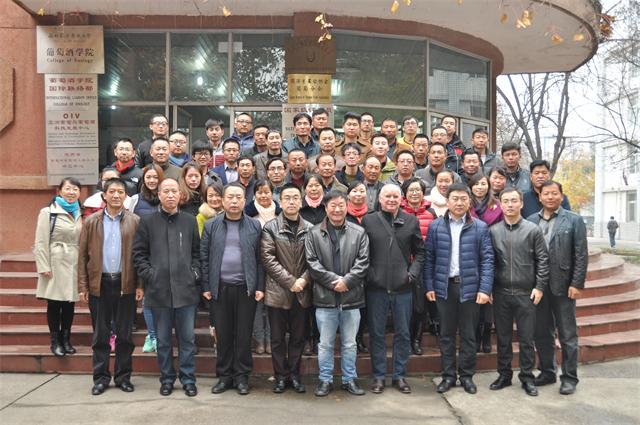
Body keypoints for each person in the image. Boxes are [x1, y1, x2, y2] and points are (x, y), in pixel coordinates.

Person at [132, 178, 201, 397]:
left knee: (187, 339)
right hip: (158, 292)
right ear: (159, 195)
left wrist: (194, 273)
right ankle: (167, 379)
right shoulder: (147, 222)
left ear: (180, 195)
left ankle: (188, 379)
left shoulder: (189, 221)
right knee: (162, 340)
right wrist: (150, 275)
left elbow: (197, 253)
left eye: (174, 191)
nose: (171, 195)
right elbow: (139, 254)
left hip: (185, 291)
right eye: (166, 191)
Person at [423, 183, 494, 395]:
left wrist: (485, 289)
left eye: (463, 198)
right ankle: (448, 376)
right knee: (445, 334)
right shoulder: (436, 226)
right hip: (444, 288)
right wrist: (429, 285)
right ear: (447, 201)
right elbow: (429, 259)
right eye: (455, 198)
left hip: (470, 288)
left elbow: (487, 260)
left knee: (469, 334)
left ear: (469, 201)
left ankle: (466, 376)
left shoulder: (480, 227)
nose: (459, 202)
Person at [78, 178, 143, 395]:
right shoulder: (91, 221)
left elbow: (140, 256)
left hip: (126, 283)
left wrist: (140, 284)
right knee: (100, 335)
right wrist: (83, 286)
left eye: (120, 192)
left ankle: (123, 377)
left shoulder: (135, 221)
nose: (116, 195)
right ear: (104, 195)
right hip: (100, 283)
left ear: (126, 196)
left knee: (125, 335)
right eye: (112, 191)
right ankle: (101, 378)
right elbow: (82, 256)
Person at [201, 182, 265, 395]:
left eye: (238, 197)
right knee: (224, 334)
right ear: (222, 200)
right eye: (230, 197)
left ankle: (242, 376)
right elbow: (204, 258)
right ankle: (224, 376)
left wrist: (259, 285)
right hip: (219, 288)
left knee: (244, 335)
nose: (234, 201)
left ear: (245, 201)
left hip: (246, 288)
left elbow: (260, 259)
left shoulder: (254, 226)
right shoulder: (211, 225)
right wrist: (206, 285)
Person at [305, 190, 370, 397]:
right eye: (332, 205)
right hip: (325, 298)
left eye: (341, 205)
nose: (337, 209)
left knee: (350, 343)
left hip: (351, 298)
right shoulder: (314, 233)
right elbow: (312, 263)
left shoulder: (359, 232)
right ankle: (325, 379)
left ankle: (349, 379)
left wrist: (347, 281)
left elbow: (363, 262)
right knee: (325, 344)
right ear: (326, 208)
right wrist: (335, 282)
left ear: (347, 206)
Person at [362, 184, 425, 395]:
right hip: (376, 288)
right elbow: (362, 253)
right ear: (380, 199)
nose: (391, 199)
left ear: (401, 199)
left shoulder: (411, 221)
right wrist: (370, 274)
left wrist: (411, 274)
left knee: (403, 333)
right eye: (387, 196)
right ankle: (379, 376)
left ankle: (399, 375)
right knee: (377, 333)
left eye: (395, 196)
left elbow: (421, 253)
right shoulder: (369, 220)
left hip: (403, 288)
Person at [528, 181, 588, 396]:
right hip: (538, 287)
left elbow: (581, 254)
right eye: (546, 193)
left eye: (554, 193)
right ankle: (547, 371)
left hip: (563, 286)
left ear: (561, 196)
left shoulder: (573, 220)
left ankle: (569, 377)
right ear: (540, 196)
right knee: (542, 332)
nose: (550, 197)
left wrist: (577, 283)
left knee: (568, 334)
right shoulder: (531, 221)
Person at [489, 187, 549, 397]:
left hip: (527, 293)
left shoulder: (533, 230)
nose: (510, 205)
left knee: (526, 339)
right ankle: (504, 375)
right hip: (501, 293)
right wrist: (488, 288)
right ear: (501, 204)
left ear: (521, 203)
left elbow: (543, 260)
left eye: (514, 200)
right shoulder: (493, 231)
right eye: (506, 201)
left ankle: (527, 377)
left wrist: (539, 287)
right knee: (503, 338)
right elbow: (489, 263)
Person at [260, 183, 313, 394]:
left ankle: (295, 375)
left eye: (295, 198)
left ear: (301, 201)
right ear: (280, 202)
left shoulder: (311, 228)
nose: (291, 202)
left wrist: (303, 280)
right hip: (278, 292)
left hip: (302, 292)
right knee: (277, 339)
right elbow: (268, 258)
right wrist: (291, 281)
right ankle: (281, 376)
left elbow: (315, 260)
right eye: (287, 198)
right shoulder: (270, 227)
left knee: (298, 338)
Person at [34, 177, 83, 357]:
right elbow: (40, 241)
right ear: (60, 191)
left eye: (75, 189)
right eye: (68, 188)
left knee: (69, 302)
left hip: (73, 262)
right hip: (55, 262)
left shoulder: (80, 212)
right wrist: (43, 266)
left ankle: (66, 339)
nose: (71, 192)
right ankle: (55, 341)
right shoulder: (48, 212)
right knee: (54, 303)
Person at [400, 177, 438, 353]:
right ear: (405, 193)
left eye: (418, 190)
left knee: (420, 306)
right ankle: (405, 338)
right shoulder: (398, 211)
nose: (414, 193)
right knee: (404, 306)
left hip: (424, 265)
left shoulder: (431, 213)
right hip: (402, 264)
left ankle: (416, 339)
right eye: (411, 190)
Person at [128, 164, 163, 353]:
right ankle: (152, 336)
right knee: (147, 298)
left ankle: (162, 335)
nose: (152, 180)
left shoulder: (167, 197)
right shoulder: (135, 199)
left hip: (163, 253)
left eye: (155, 177)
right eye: (148, 177)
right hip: (143, 253)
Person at [468, 173, 503, 354]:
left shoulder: (497, 206)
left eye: (483, 184)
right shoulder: (466, 204)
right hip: (471, 253)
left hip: (493, 253)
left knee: (488, 298)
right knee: (474, 299)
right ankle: (475, 335)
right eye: (476, 184)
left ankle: (487, 334)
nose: (480, 187)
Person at [244, 180, 279, 354]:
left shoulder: (280, 213)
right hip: (253, 264)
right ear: (254, 194)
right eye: (260, 192)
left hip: (276, 265)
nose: (264, 195)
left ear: (272, 193)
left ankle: (271, 339)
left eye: (267, 192)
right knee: (256, 304)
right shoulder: (248, 214)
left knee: (272, 304)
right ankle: (259, 339)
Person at [345, 180, 370, 354]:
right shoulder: (342, 214)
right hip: (346, 267)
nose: (358, 194)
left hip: (367, 267)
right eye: (355, 191)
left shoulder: (373, 215)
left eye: (362, 191)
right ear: (348, 195)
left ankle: (359, 338)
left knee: (363, 307)